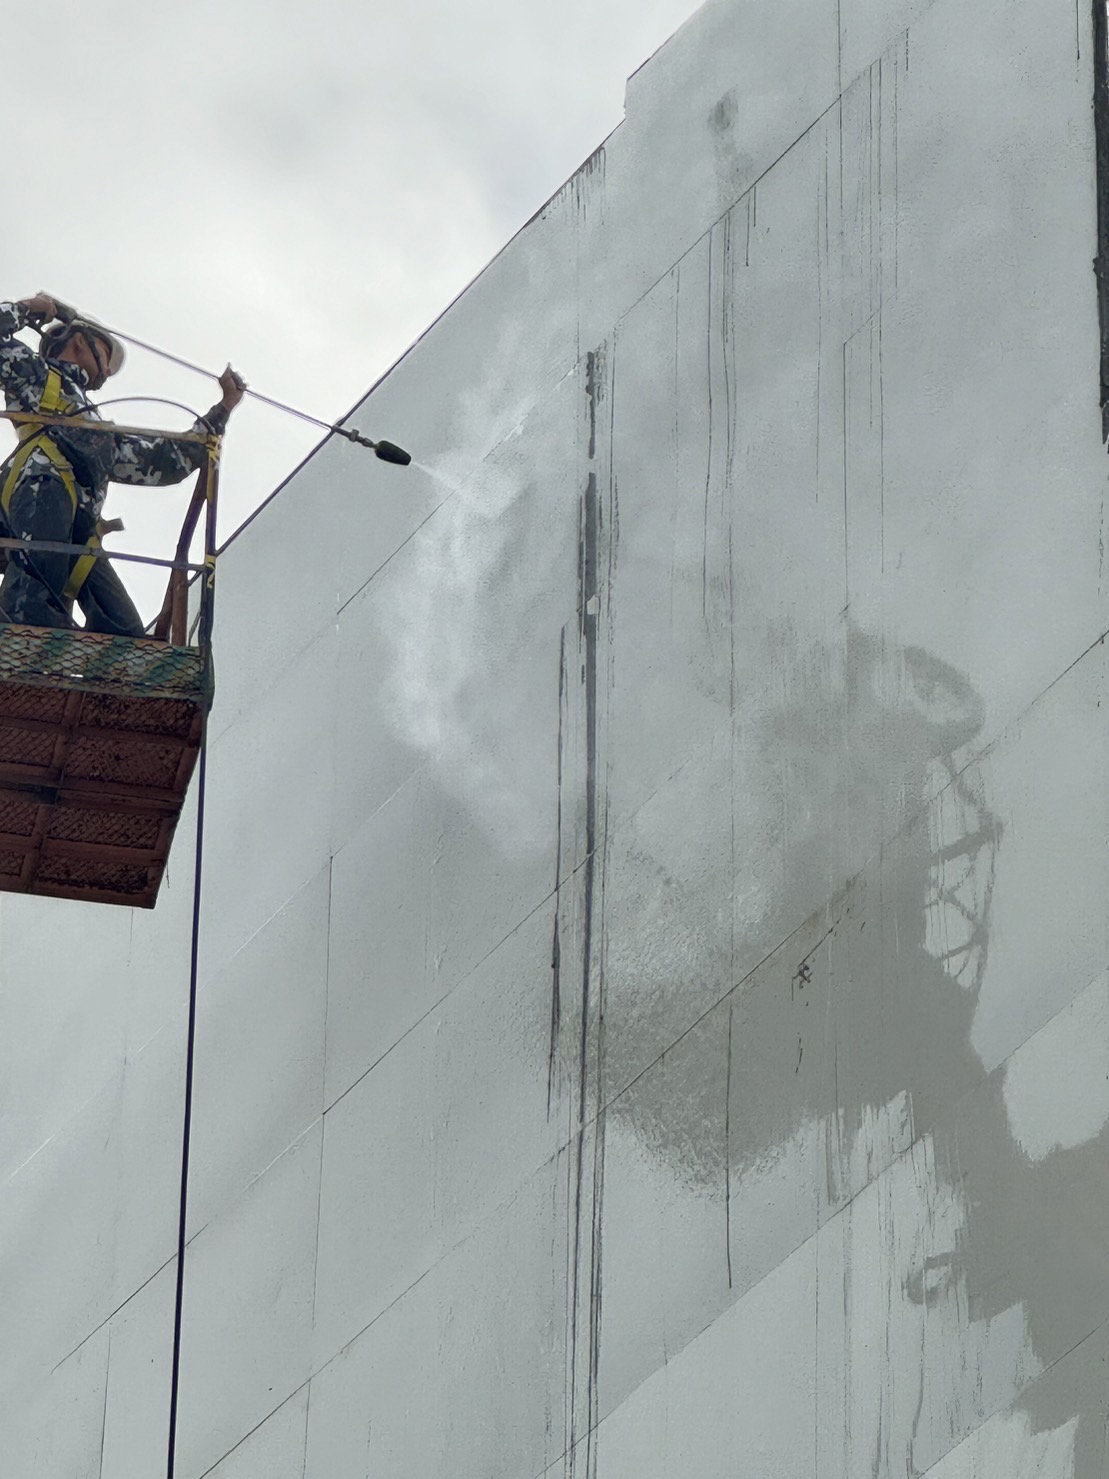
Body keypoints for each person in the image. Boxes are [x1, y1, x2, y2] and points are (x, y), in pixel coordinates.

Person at [0, 292, 245, 636]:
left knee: (126, 629)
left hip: (78, 524)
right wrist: (28, 308)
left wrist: (222, 410)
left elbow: (160, 461)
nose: (106, 373)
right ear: (79, 343)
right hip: (41, 491)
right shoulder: (37, 376)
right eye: (105, 354)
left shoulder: (92, 423)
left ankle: (105, 679)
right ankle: (20, 643)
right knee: (33, 603)